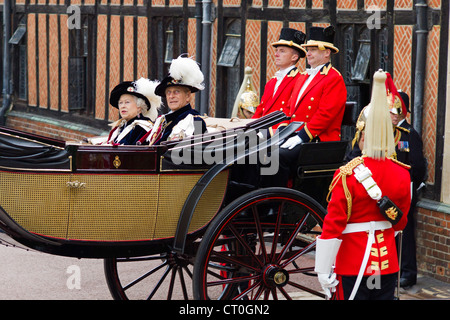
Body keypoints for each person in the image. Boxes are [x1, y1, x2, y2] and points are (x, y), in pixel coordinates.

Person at [314, 70, 411, 300]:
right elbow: (400, 223)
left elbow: (333, 225)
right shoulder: (402, 173)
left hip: (353, 264)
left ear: (362, 135)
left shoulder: (347, 174)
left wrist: (323, 269)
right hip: (386, 265)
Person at [262, 26, 347, 187]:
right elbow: (289, 109)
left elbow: (325, 115)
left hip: (317, 141)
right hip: (296, 135)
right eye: (308, 49)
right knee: (259, 152)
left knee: (276, 156)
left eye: (313, 49)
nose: (308, 53)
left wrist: (301, 137)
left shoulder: (333, 78)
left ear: (327, 52)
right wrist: (282, 131)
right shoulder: (303, 76)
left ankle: (275, 203)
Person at [390, 90, 427, 288]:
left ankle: (408, 272)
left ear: (404, 112)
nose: (393, 114)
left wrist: (406, 186)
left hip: (405, 190)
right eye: (391, 111)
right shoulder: (389, 131)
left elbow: (417, 167)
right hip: (389, 190)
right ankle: (394, 269)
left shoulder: (409, 134)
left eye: (397, 111)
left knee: (405, 232)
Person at [140, 55, 207, 145]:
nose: (171, 96)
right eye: (168, 92)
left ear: (187, 96)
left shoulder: (197, 122)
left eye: (176, 92)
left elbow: (197, 155)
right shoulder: (163, 121)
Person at [252, 27, 306, 133]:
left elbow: (289, 113)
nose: (276, 54)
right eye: (276, 51)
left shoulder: (299, 81)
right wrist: (248, 129)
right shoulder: (271, 82)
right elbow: (260, 111)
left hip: (279, 135)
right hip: (262, 134)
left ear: (294, 57)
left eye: (282, 51)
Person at [104, 78, 161, 145]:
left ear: (139, 107)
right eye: (120, 103)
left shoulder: (141, 129)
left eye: (127, 102)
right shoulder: (120, 127)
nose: (123, 106)